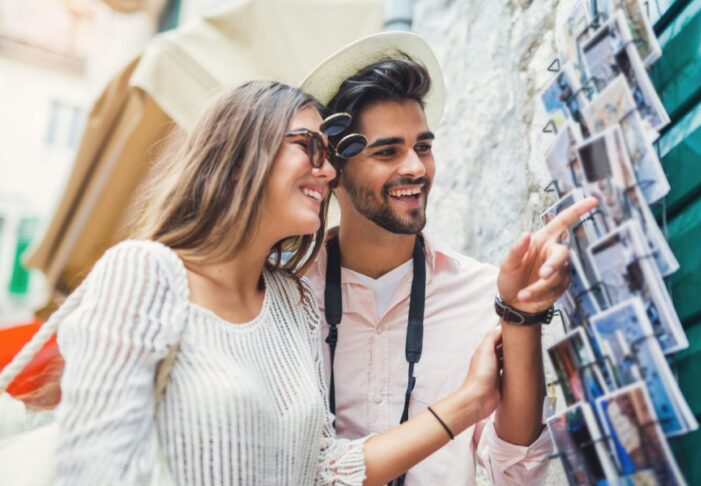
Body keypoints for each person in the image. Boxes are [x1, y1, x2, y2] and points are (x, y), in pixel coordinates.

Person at [38, 80, 507, 485]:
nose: (327, 171)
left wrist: (469, 402)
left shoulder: (294, 301)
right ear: (243, 152)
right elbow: (93, 470)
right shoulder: (146, 273)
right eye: (309, 146)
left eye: (331, 154)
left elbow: (323, 471)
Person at [300, 32, 598, 485]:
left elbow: (517, 474)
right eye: (388, 151)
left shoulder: (482, 291)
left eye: (422, 146)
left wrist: (521, 316)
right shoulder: (289, 294)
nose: (416, 168)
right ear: (334, 169)